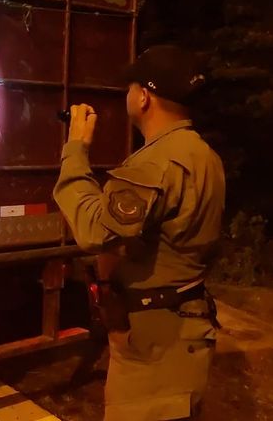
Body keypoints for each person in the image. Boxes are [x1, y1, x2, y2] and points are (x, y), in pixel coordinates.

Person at [53, 45, 225, 420]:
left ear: (144, 96)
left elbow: (94, 232)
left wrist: (76, 148)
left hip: (156, 348)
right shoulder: (205, 156)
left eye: (130, 88)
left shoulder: (155, 163)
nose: (128, 96)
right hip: (186, 332)